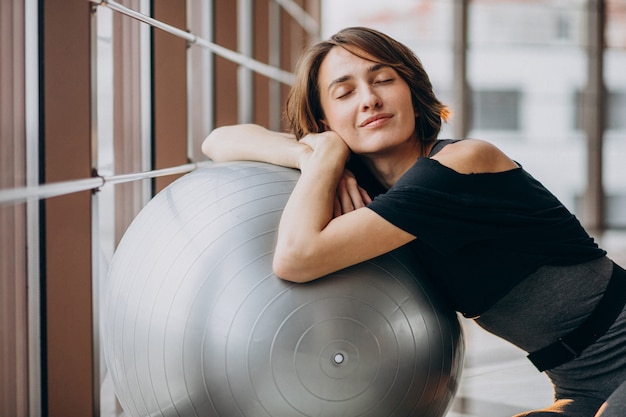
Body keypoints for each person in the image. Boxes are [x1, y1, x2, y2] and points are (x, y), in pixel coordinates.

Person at [202, 26, 626, 417]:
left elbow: (295, 258)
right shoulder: (368, 188)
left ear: (412, 91)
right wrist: (313, 151)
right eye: (344, 92)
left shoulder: (462, 163)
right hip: (580, 385)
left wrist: (325, 154)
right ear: (323, 119)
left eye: (383, 80)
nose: (369, 98)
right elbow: (218, 140)